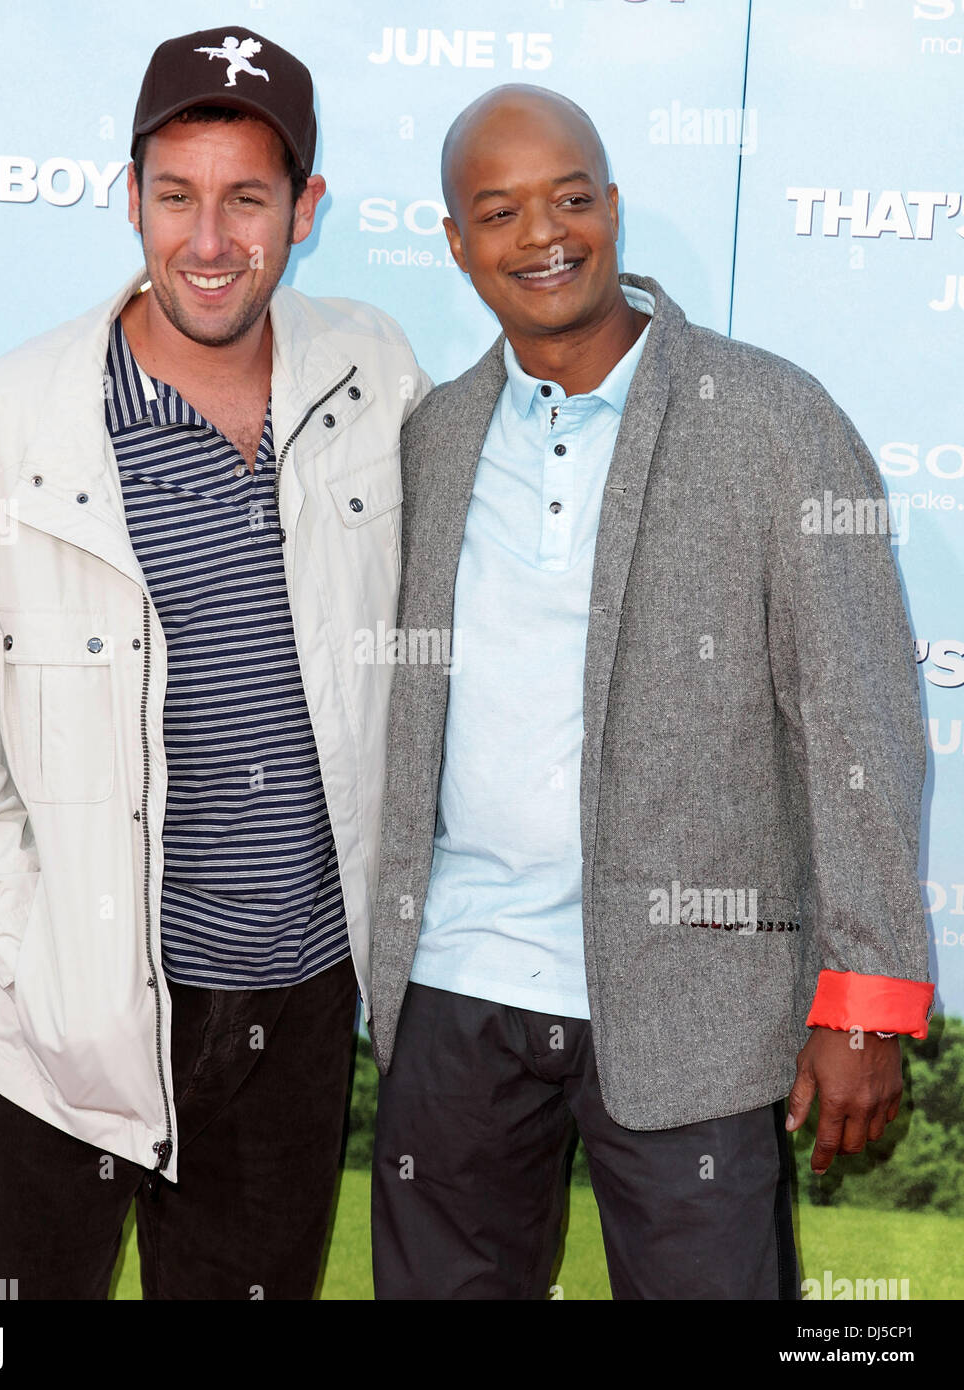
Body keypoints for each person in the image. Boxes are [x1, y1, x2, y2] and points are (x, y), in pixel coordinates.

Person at [0, 26, 428, 1300]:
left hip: (292, 1009)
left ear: (307, 208)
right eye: (175, 196)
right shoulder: (8, 416)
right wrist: (19, 914)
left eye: (245, 199)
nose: (207, 241)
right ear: (130, 198)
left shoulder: (372, 374)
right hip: (47, 1023)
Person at [368, 84, 932, 1301]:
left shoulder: (773, 420)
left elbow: (863, 720)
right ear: (456, 244)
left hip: (699, 1010)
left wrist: (867, 996)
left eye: (570, 198)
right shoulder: (432, 438)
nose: (543, 234)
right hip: (456, 996)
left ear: (614, 207)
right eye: (499, 210)